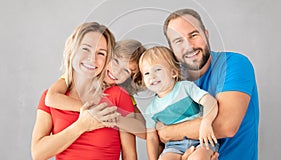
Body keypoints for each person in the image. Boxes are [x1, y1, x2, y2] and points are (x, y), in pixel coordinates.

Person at [157, 8, 259, 160]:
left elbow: (226, 125)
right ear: (171, 48)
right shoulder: (170, 81)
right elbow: (160, 141)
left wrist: (167, 132)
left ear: (206, 34)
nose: (189, 46)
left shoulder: (234, 64)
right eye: (178, 41)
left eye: (194, 35)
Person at [31, 22, 137, 160]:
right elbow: (38, 153)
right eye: (86, 49)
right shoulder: (51, 97)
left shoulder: (118, 96)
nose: (92, 59)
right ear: (73, 49)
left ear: (107, 60)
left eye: (101, 53)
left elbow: (130, 156)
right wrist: (82, 126)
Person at [45, 39, 147, 139]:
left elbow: (144, 130)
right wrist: (94, 111)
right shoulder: (82, 75)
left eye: (126, 70)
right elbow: (51, 98)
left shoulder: (122, 93)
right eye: (115, 61)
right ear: (107, 55)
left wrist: (110, 117)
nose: (117, 71)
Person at [139, 46, 219, 160]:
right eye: (146, 73)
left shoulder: (185, 87)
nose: (152, 76)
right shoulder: (151, 110)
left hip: (201, 139)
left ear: (173, 72)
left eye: (157, 69)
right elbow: (151, 138)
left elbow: (209, 101)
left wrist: (206, 123)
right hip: (173, 146)